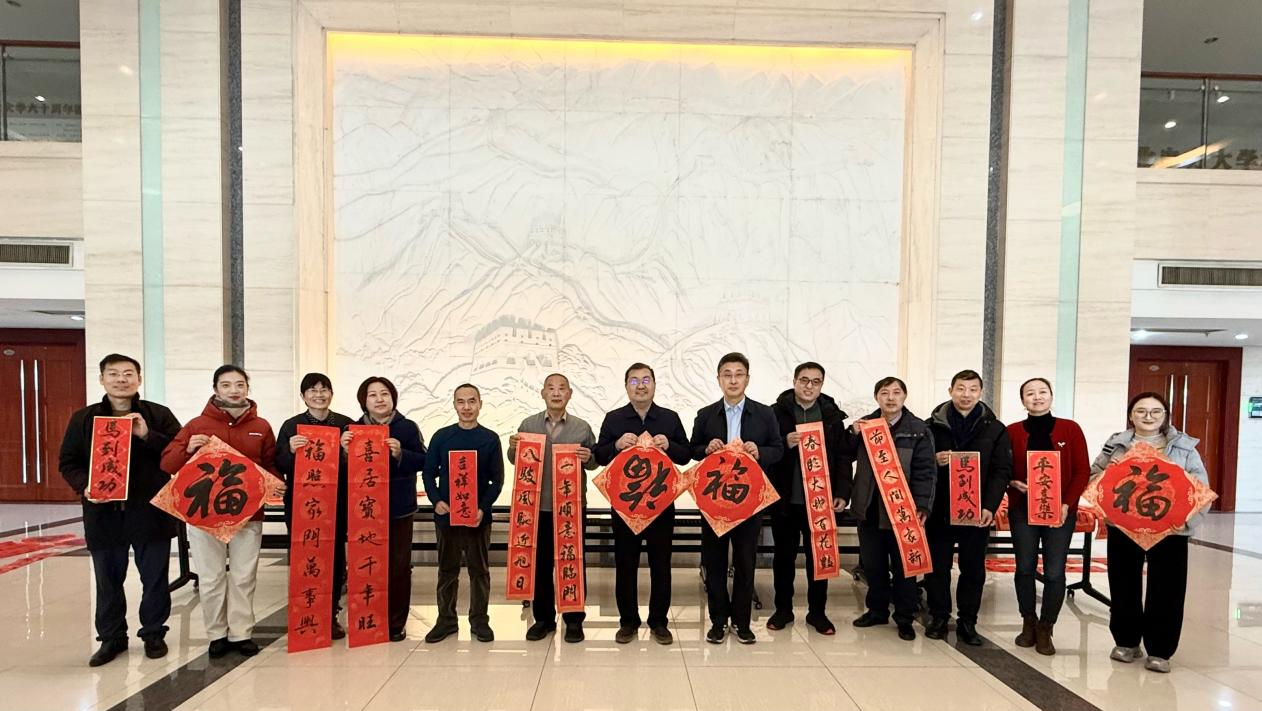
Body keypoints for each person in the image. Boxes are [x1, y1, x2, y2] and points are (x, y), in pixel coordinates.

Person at [58, 354, 183, 666]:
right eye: (113, 374)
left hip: (150, 511)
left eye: (128, 374)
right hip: (103, 514)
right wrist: (85, 486)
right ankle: (112, 638)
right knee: (107, 580)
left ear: (139, 379)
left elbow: (178, 456)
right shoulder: (83, 419)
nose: (121, 380)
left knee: (154, 578)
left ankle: (153, 633)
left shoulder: (158, 415)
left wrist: (146, 435)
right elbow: (68, 462)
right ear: (102, 379)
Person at [160, 365, 277, 658]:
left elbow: (270, 465)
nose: (234, 390)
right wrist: (187, 449)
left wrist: (277, 484)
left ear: (247, 388)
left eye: (240, 384)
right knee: (211, 577)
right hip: (204, 515)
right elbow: (167, 464)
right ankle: (216, 635)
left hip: (248, 514)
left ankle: (241, 634)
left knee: (243, 576)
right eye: (226, 385)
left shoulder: (261, 426)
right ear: (215, 389)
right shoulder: (197, 424)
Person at [1094, 391, 1208, 674]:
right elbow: (1094, 476)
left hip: (1170, 529)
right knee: (1123, 584)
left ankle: (1160, 649)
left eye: (1156, 411)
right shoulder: (1116, 445)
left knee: (1167, 589)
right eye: (1141, 411)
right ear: (1131, 416)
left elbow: (1200, 488)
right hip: (1124, 526)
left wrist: (1187, 521)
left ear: (1165, 416)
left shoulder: (1184, 448)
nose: (1148, 416)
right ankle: (1126, 641)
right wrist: (1107, 478)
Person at [594, 362, 692, 645]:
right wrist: (615, 445)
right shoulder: (614, 419)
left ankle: (659, 621)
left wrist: (669, 445)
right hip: (625, 507)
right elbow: (599, 456)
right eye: (634, 381)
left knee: (661, 565)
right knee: (626, 565)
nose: (641, 386)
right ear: (626, 387)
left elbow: (686, 454)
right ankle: (628, 621)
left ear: (655, 385)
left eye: (646, 380)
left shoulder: (669, 418)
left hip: (660, 506)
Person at [690, 352, 783, 645]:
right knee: (715, 563)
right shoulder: (705, 414)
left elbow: (778, 449)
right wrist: (706, 448)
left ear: (747, 379)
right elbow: (692, 449)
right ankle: (718, 621)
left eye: (738, 374)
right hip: (714, 501)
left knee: (745, 561)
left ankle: (742, 622)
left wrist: (760, 452)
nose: (733, 380)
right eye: (727, 375)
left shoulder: (764, 413)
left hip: (749, 501)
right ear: (719, 379)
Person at [842, 377, 936, 640]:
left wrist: (922, 505)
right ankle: (877, 610)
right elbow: (843, 455)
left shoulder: (918, 430)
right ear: (877, 397)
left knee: (904, 566)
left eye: (896, 393)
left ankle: (905, 617)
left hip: (903, 510)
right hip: (869, 507)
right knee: (873, 565)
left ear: (904, 397)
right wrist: (852, 434)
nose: (891, 398)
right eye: (885, 393)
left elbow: (926, 471)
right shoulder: (866, 425)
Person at [506, 373, 598, 643]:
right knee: (540, 565)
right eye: (551, 388)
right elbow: (515, 460)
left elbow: (594, 462)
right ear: (543, 393)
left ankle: (574, 619)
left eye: (561, 388)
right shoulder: (529, 424)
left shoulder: (582, 427)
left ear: (569, 394)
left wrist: (589, 457)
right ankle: (543, 619)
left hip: (570, 508)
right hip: (536, 509)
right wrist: (512, 448)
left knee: (572, 562)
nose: (556, 393)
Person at [924, 369, 1013, 645]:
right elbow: (918, 464)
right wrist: (935, 460)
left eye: (973, 389)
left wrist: (990, 506)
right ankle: (939, 617)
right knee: (937, 567)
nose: (966, 395)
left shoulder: (994, 428)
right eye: (961, 389)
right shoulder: (931, 425)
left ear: (980, 393)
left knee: (973, 569)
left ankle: (968, 621)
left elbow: (1001, 470)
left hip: (975, 511)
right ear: (950, 391)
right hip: (939, 509)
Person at [1006, 377, 1090, 655]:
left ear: (1051, 396)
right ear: (1023, 400)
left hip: (1060, 511)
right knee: (1024, 568)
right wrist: (1012, 483)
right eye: (1030, 393)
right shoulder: (1012, 431)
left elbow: (1082, 471)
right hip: (1022, 510)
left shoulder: (1070, 429)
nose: (1037, 397)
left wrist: (1067, 503)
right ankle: (1028, 621)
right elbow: (1003, 467)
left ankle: (1046, 626)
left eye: (1042, 392)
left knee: (1054, 571)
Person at [767, 361, 850, 635]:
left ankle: (817, 613)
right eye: (804, 380)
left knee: (819, 557)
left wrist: (842, 493)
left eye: (815, 381)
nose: (809, 386)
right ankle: (783, 610)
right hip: (785, 499)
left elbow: (842, 457)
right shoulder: (775, 413)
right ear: (794, 381)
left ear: (821, 385)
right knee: (784, 558)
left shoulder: (832, 417)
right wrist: (784, 443)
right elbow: (765, 451)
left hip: (820, 501)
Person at [341, 376, 425, 642]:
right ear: (364, 401)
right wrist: (343, 452)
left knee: (399, 567)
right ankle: (368, 619)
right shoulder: (351, 430)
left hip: (399, 509)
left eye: (384, 394)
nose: (379, 399)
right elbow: (338, 472)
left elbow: (424, 460)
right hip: (364, 512)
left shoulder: (407, 427)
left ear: (393, 398)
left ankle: (396, 623)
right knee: (365, 566)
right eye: (373, 395)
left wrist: (401, 453)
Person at [275, 372, 356, 640]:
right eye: (312, 390)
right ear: (303, 396)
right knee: (305, 559)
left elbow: (359, 466)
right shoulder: (292, 426)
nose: (318, 395)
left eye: (324, 390)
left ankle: (331, 614)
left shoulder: (346, 424)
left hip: (337, 504)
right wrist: (290, 450)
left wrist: (346, 451)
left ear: (331, 393)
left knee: (335, 561)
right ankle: (307, 615)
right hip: (302, 506)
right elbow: (279, 464)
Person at [421, 384, 504, 643]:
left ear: (480, 404)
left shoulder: (490, 438)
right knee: (447, 570)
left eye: (472, 401)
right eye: (461, 402)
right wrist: (436, 501)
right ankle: (446, 620)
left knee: (479, 571)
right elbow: (428, 474)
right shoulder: (442, 437)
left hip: (477, 517)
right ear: (454, 405)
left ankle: (480, 620)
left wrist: (482, 508)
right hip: (447, 516)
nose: (467, 407)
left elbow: (497, 480)